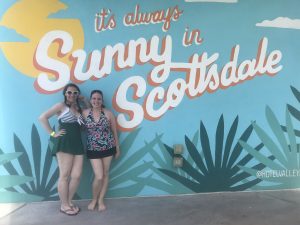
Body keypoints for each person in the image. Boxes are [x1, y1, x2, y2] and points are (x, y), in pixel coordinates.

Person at [39, 83, 86, 216]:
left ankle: (69, 202)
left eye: (75, 92)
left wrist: (83, 101)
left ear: (78, 94)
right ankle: (64, 205)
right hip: (64, 143)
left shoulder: (79, 107)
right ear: (65, 94)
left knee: (76, 176)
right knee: (64, 175)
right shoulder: (61, 106)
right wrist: (53, 134)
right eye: (69, 92)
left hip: (77, 142)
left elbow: (84, 125)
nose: (72, 95)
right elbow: (42, 117)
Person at [82, 90, 120, 211]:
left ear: (102, 101)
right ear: (90, 100)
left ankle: (100, 200)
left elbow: (114, 132)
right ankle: (94, 199)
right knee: (99, 176)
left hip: (108, 147)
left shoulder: (108, 113)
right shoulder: (85, 113)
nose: (96, 101)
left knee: (105, 174)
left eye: (99, 99)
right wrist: (82, 100)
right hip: (92, 148)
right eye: (94, 98)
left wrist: (117, 148)